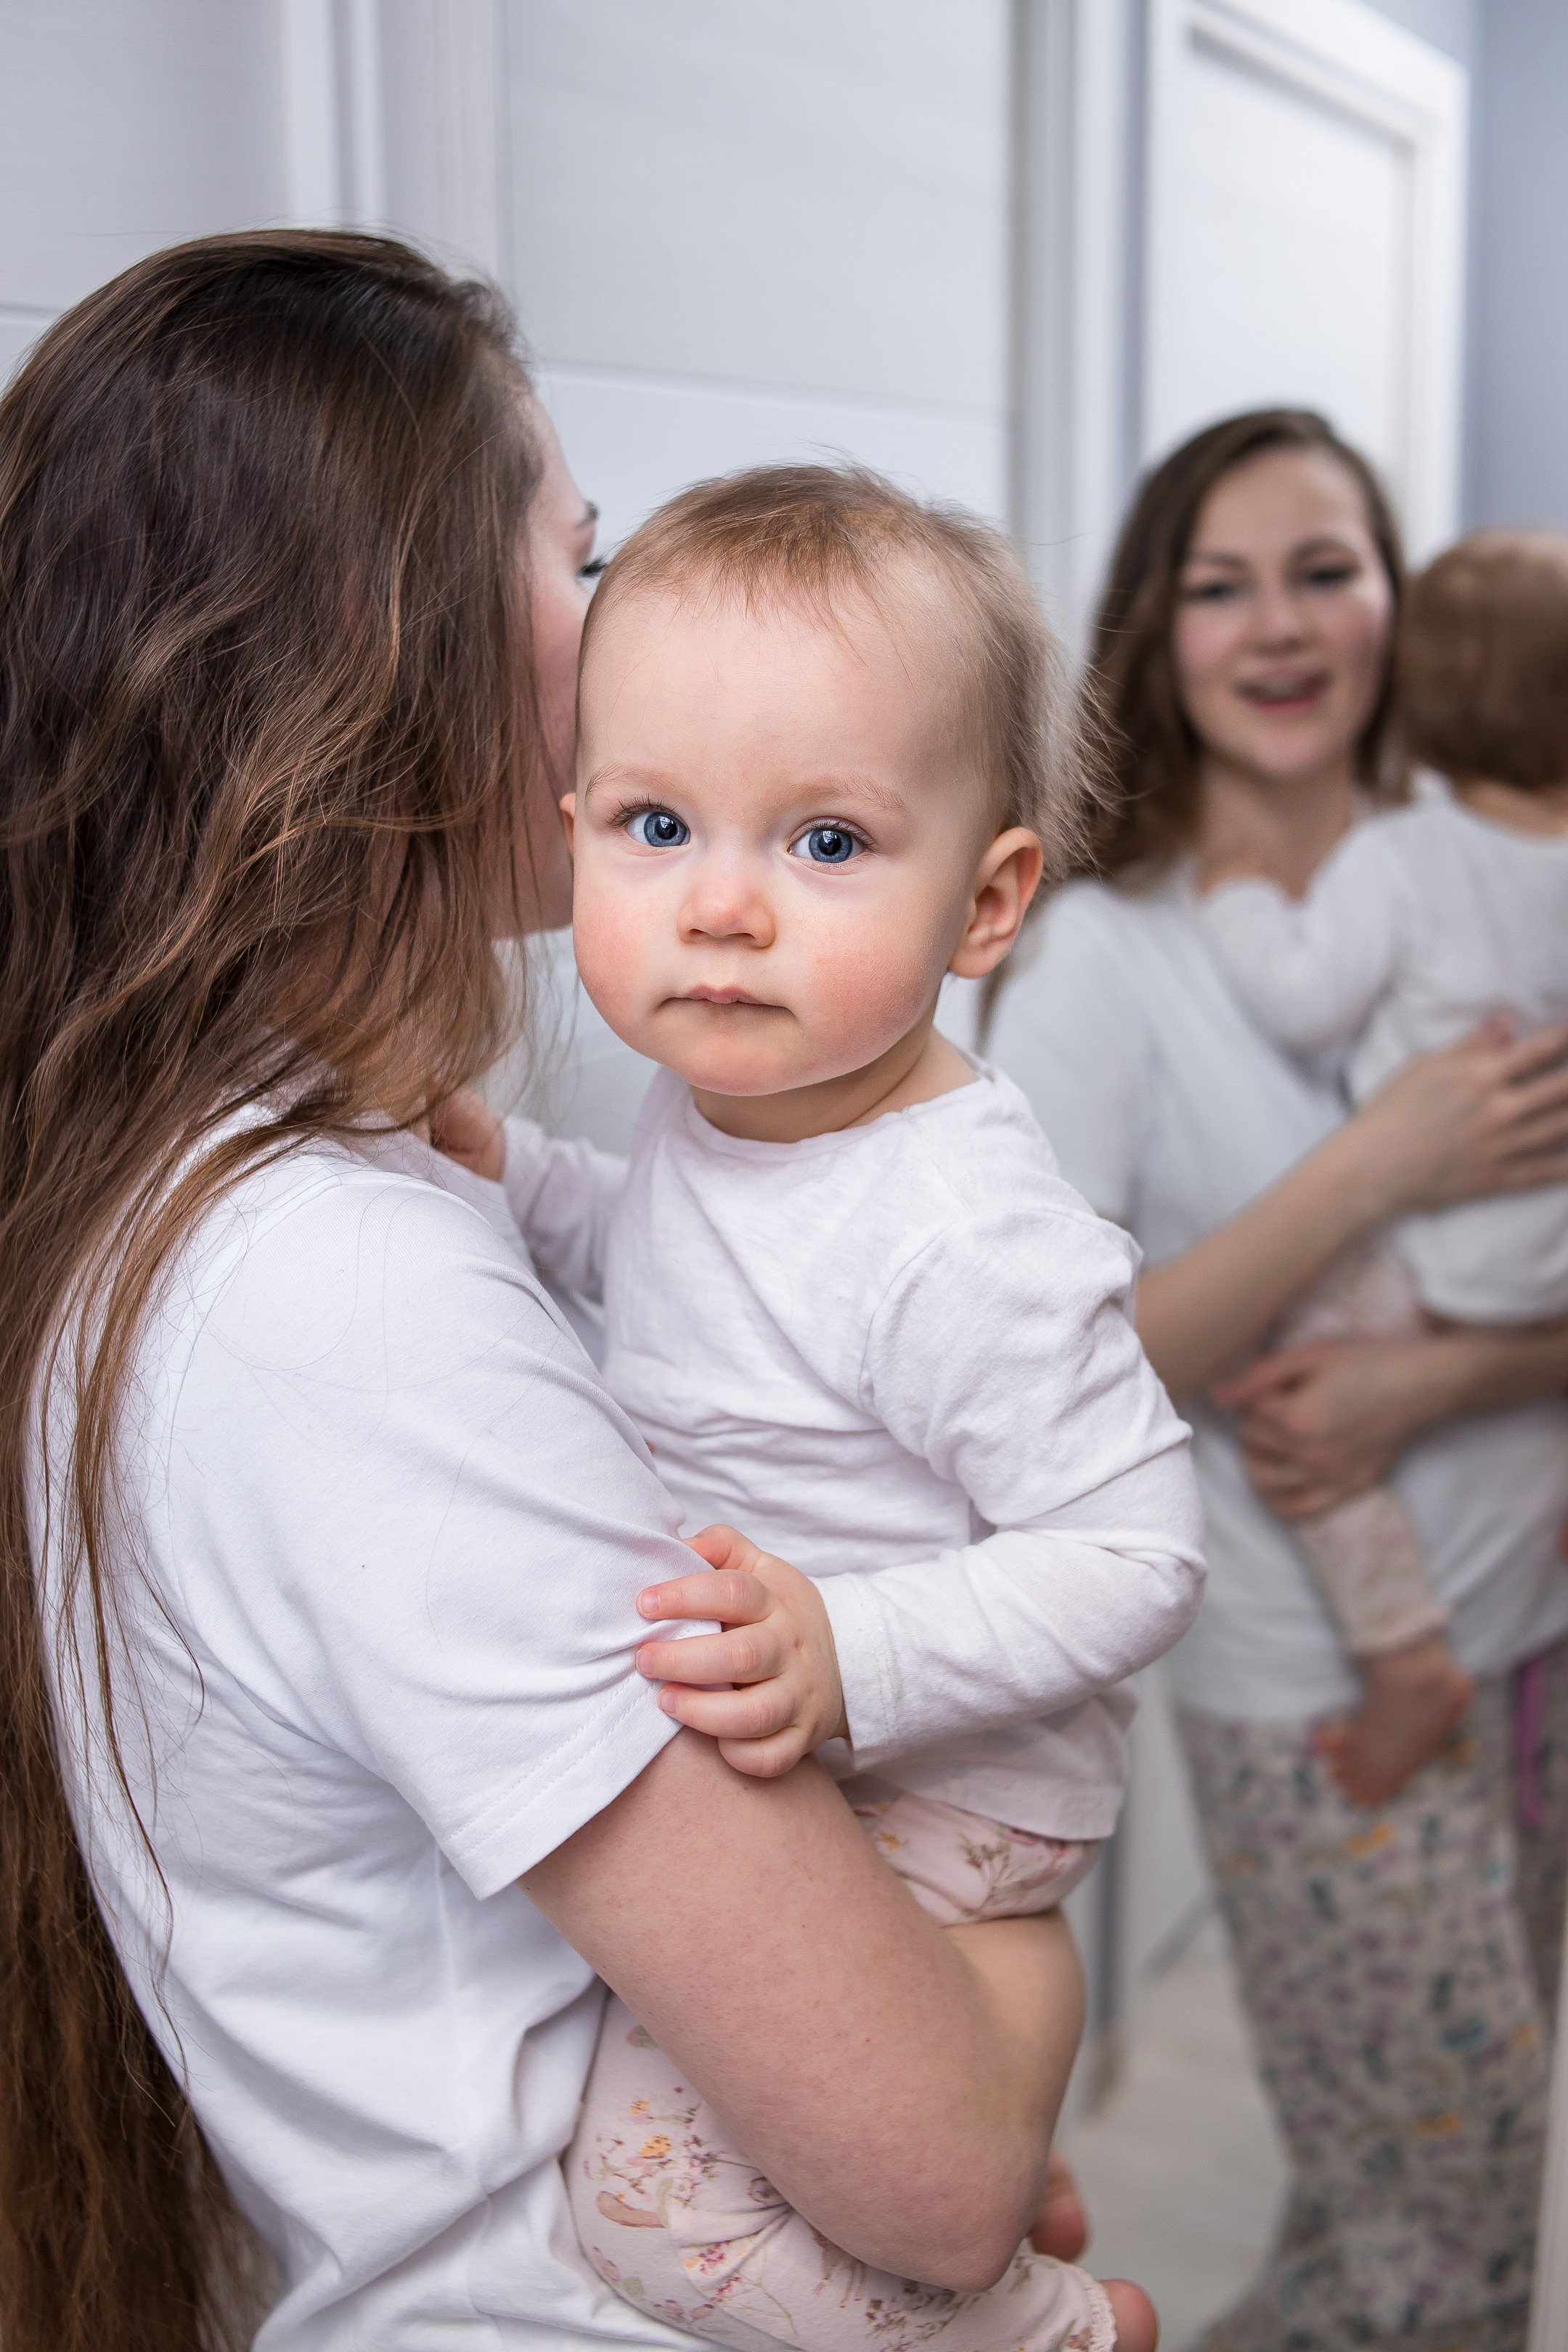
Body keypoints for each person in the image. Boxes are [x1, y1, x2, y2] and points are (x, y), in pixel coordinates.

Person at [0, 232, 1103, 2352]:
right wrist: (1002, 2012)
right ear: (381, 627)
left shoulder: (250, 1189)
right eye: (580, 560)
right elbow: (950, 2169)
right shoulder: (336, 1295)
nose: (623, 636)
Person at [443, 464, 1206, 2350]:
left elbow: (1138, 1548)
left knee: (637, 2211)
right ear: (573, 833)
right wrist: (521, 1183)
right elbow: (691, 1276)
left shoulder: (962, 1234)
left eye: (829, 843)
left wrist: (848, 1653)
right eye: (656, 825)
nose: (722, 908)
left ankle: (1053, 2335)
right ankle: (979, 2202)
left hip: (933, 1791)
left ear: (988, 901)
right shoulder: (739, 1099)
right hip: (829, 1757)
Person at [985, 407, 1568, 2352]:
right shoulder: (1101, 958)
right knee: (1441, 2246)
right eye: (1223, 586)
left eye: (1326, 569)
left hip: (1526, 1630)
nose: (1284, 626)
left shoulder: (1496, 874)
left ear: (1400, 597)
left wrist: (1445, 1382)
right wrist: (1379, 1166)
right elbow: (1061, 1378)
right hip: (1321, 1688)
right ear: (1160, 631)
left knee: (1440, 2186)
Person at [1195, 528, 1568, 1801]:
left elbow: (1303, 1002)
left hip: (1438, 1260)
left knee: (1285, 1395)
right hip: (1552, 1272)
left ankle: (1404, 1656)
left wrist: (1239, 898)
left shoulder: (1408, 857)